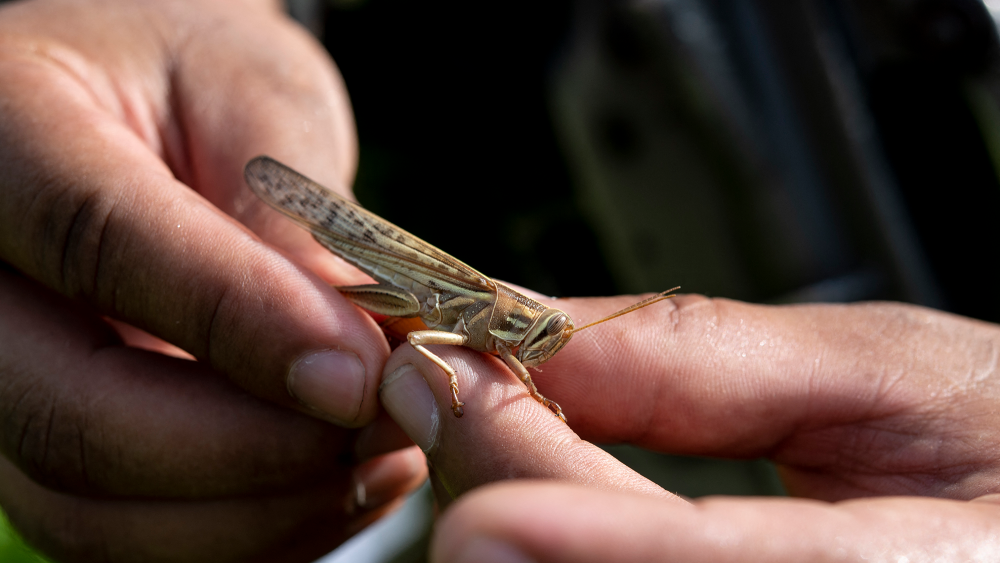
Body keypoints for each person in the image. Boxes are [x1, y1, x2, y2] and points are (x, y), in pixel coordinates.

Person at [0, 0, 998, 561]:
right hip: (400, 261)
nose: (545, 349)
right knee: (302, 303)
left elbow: (503, 358)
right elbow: (449, 339)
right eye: (543, 339)